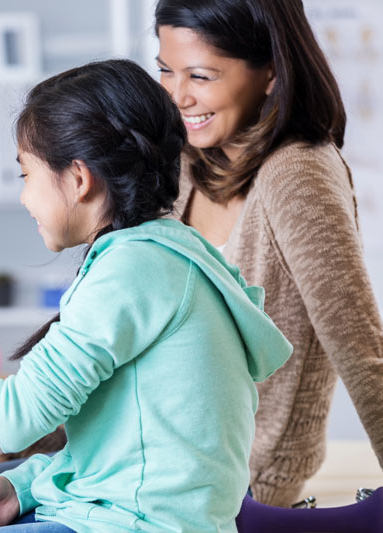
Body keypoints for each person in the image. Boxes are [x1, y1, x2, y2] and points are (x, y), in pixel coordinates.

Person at [0, 59, 293, 532]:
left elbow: (14, 420)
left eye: (25, 175)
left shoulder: (133, 270)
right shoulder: (164, 255)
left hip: (133, 525)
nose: (25, 198)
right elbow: (121, 447)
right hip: (133, 513)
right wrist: (21, 487)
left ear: (78, 178)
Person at [154, 0, 383, 507]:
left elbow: (360, 345)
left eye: (201, 75)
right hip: (158, 462)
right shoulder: (189, 166)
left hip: (240, 483)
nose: (177, 96)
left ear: (272, 74)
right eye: (166, 71)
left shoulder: (297, 172)